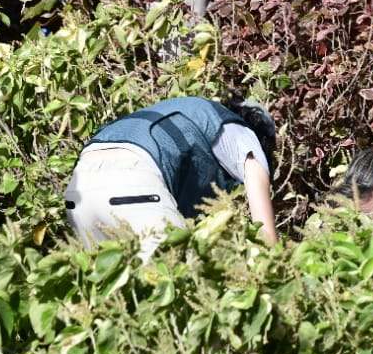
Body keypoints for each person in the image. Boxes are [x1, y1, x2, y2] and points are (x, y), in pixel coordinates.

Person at [65, 95, 279, 255]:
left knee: (114, 297)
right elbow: (265, 236)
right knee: (180, 284)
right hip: (135, 178)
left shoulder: (190, 112)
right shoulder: (241, 133)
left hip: (79, 188)